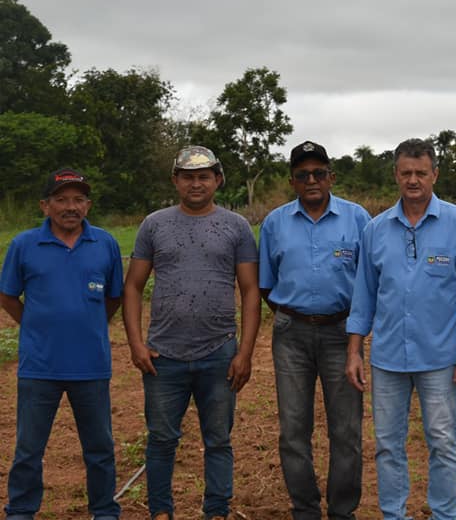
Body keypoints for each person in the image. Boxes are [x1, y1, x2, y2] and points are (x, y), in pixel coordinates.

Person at [345, 138, 456, 520]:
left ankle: (445, 513)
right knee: (388, 445)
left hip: (440, 358)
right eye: (405, 173)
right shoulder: (375, 229)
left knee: (442, 442)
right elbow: (363, 298)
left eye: (420, 173)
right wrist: (355, 351)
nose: (413, 180)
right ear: (395, 175)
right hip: (388, 359)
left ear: (434, 174)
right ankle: (394, 514)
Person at [123, 146, 261, 520]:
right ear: (176, 181)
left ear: (217, 180)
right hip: (163, 356)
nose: (196, 183)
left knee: (218, 441)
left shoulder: (236, 227)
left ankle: (216, 511)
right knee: (162, 440)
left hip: (219, 353)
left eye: (204, 176)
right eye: (188, 176)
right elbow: (133, 286)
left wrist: (244, 352)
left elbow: (250, 291)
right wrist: (137, 344)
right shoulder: (154, 224)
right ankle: (161, 512)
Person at [1, 169, 123, 520]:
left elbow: (114, 297)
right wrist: (36, 326)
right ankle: (21, 511)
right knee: (28, 449)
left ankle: (104, 511)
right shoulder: (24, 245)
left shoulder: (106, 244)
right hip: (40, 366)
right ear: (45, 205)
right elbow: (8, 296)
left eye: (78, 199)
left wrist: (89, 326)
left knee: (99, 448)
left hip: (91, 365)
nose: (71, 207)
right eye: (62, 199)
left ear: (88, 204)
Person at [259, 141, 371, 520]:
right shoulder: (274, 223)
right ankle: (305, 509)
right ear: (292, 181)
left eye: (319, 173)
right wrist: (296, 314)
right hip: (291, 333)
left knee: (346, 431)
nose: (312, 180)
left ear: (331, 177)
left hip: (343, 333)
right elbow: (265, 284)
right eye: (303, 174)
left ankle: (342, 511)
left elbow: (370, 280)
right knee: (293, 428)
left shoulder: (357, 219)